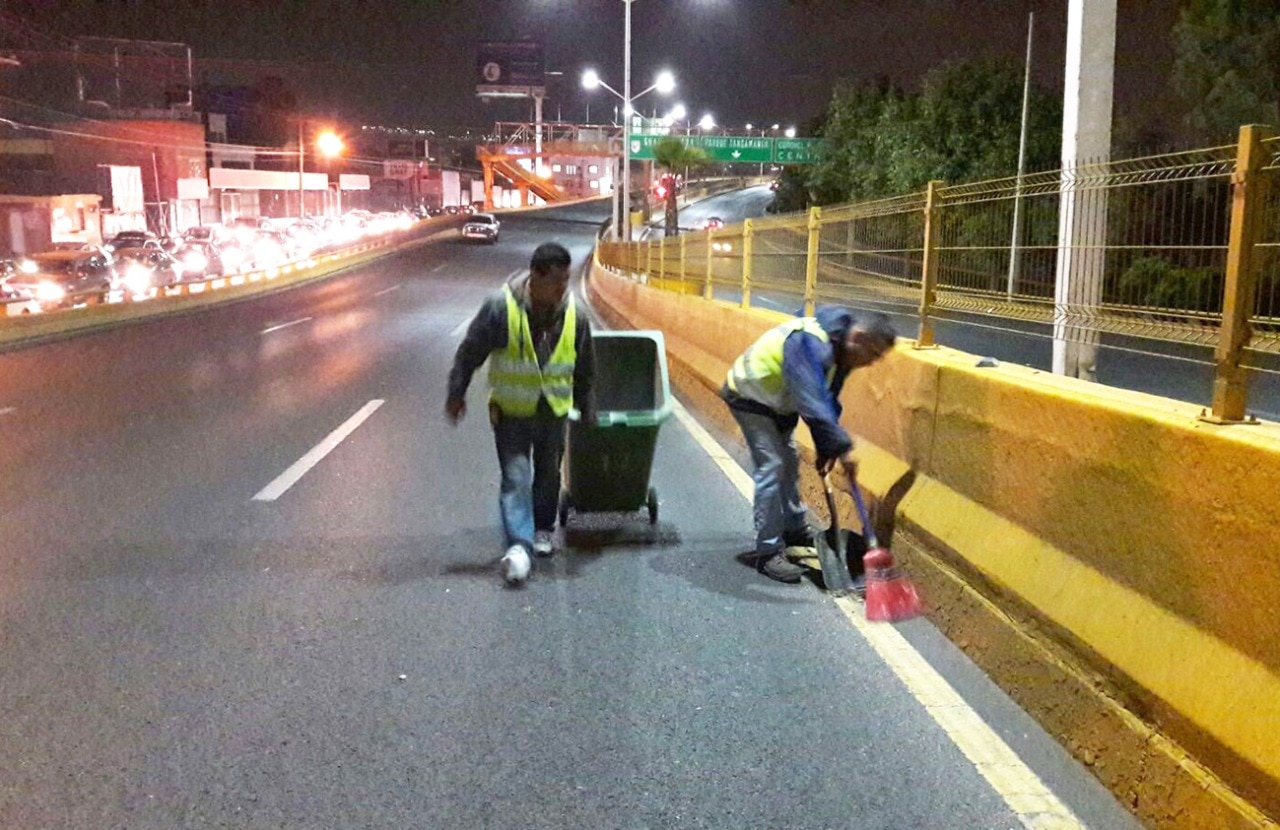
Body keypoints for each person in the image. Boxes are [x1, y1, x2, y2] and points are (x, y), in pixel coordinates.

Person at [446, 242, 594, 586]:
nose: (563, 289)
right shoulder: (501, 308)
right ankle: (518, 545)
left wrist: (588, 407)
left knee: (547, 473)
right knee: (515, 476)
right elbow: (470, 352)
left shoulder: (576, 314)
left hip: (553, 409)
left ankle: (542, 528)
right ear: (535, 277)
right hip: (512, 410)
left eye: (566, 281)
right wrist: (457, 393)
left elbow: (586, 366)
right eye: (557, 282)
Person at [722, 307, 896, 583]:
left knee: (789, 463)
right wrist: (841, 448)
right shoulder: (809, 343)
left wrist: (827, 448)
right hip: (750, 395)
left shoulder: (842, 351)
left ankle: (794, 531)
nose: (871, 362)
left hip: (778, 402)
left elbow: (827, 400)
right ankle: (768, 552)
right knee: (773, 466)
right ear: (859, 338)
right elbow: (811, 400)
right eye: (873, 354)